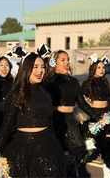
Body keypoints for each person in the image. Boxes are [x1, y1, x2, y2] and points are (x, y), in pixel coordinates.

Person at [0, 53, 67, 176]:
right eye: (35, 67)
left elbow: (50, 123)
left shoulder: (46, 94)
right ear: (26, 69)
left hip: (48, 146)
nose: (40, 70)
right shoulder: (16, 95)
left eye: (42, 67)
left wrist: (58, 148)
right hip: (22, 148)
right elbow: (6, 127)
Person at [42, 48, 97, 176]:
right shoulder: (49, 81)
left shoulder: (73, 81)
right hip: (55, 121)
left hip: (70, 121)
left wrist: (99, 117)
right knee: (60, 154)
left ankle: (70, 172)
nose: (67, 62)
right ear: (54, 62)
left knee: (80, 151)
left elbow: (82, 103)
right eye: (63, 60)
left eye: (68, 59)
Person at [81, 52, 110, 176]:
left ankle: (107, 169)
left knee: (108, 142)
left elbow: (108, 99)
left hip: (105, 115)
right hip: (93, 114)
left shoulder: (105, 82)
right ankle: (79, 162)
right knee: (91, 143)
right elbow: (83, 101)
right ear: (93, 68)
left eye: (103, 67)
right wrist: (92, 115)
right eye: (99, 67)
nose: (102, 70)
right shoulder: (87, 83)